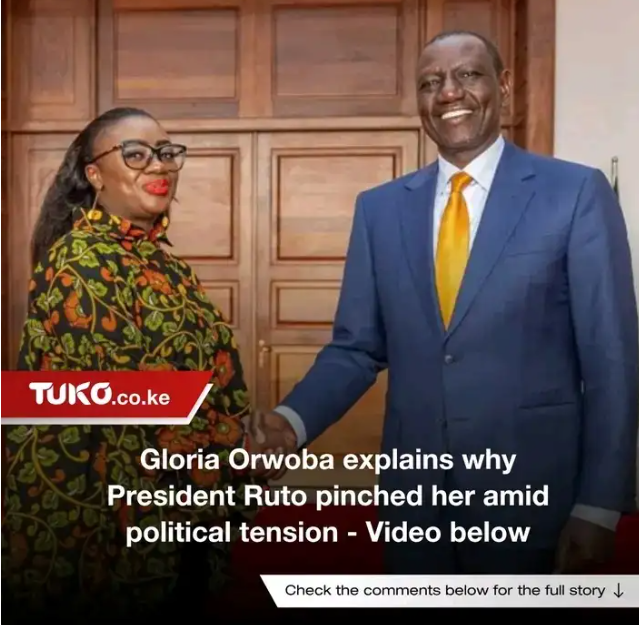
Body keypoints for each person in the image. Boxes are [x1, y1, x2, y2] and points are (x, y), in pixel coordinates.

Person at [248, 31, 639, 574]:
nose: (448, 92)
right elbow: (356, 349)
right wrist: (292, 422)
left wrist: (600, 504)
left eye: (468, 75)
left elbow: (612, 360)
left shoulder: (574, 193)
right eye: (430, 83)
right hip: (416, 505)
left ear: (504, 86)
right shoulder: (379, 210)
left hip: (534, 500)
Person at [2, 107, 260, 620]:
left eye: (166, 153)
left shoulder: (166, 263)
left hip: (176, 502)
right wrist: (240, 444)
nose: (159, 166)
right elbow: (129, 398)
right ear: (95, 174)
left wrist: (243, 437)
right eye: (136, 154)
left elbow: (212, 375)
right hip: (102, 516)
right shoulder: (79, 261)